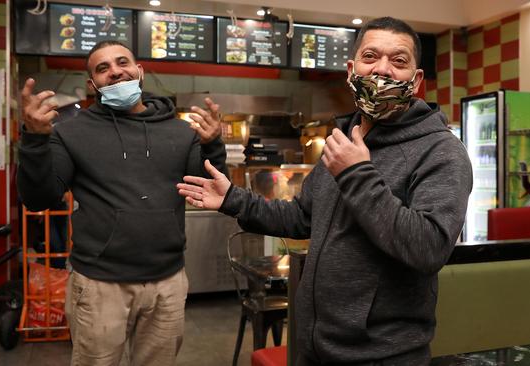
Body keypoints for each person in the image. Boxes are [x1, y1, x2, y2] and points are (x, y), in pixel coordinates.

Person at [177, 17, 473, 365]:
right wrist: (233, 198)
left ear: (417, 79)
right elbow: (301, 217)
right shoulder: (343, 139)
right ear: (351, 69)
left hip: (383, 355)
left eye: (399, 61)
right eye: (370, 56)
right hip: (312, 347)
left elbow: (429, 248)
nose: (382, 70)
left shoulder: (441, 151)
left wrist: (357, 174)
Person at [17, 40, 227, 366]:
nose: (115, 71)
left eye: (122, 62)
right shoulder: (70, 133)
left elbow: (210, 190)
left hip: (167, 283)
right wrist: (34, 139)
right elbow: (38, 198)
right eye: (103, 68)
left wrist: (213, 145)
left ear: (139, 71)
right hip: (100, 285)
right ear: (93, 84)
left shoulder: (180, 133)